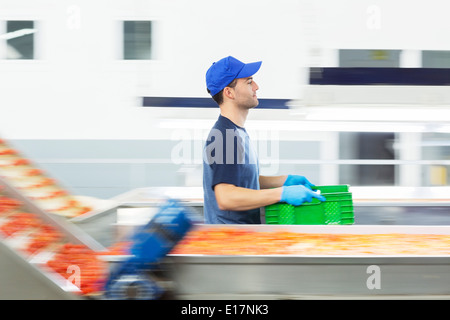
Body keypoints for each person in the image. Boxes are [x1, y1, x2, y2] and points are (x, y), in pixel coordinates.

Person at [203, 56, 325, 224]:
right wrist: (281, 194)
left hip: (241, 240)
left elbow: (242, 181)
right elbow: (226, 197)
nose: (256, 87)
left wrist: (283, 181)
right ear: (229, 92)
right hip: (229, 244)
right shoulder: (225, 137)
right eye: (249, 82)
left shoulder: (236, 133)